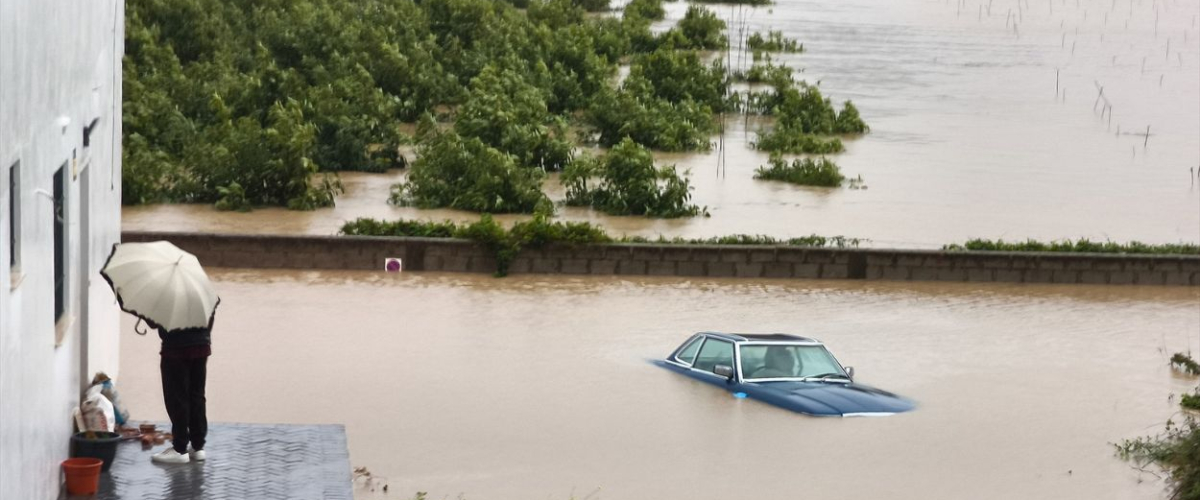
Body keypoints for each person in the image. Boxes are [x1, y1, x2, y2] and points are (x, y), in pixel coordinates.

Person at [150, 321, 211, 464]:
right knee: (197, 395)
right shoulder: (203, 298)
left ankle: (180, 448)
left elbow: (155, 322)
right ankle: (198, 447)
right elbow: (210, 315)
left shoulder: (169, 298)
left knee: (177, 397)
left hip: (175, 348)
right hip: (201, 345)